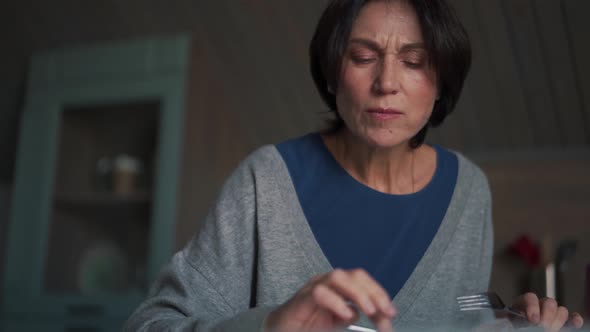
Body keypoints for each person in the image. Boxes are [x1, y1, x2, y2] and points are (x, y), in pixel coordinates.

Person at [124, 0, 585, 331]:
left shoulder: (470, 191)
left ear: (441, 83)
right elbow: (150, 324)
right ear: (330, 73)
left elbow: (461, 320)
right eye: (363, 57)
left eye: (414, 61)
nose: (386, 82)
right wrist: (269, 328)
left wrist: (516, 323)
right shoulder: (266, 182)